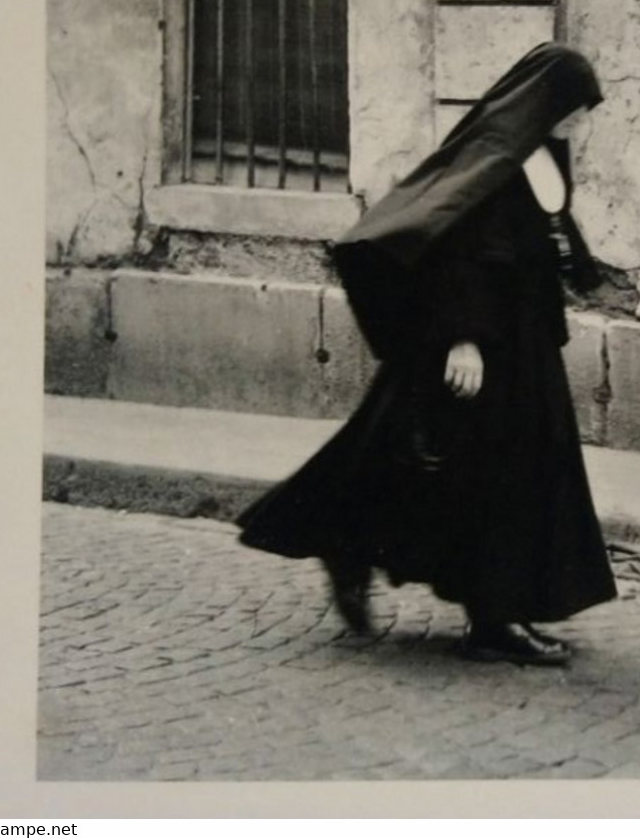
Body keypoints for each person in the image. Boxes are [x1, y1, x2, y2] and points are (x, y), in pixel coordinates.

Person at [237, 43, 617, 667]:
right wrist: (462, 338)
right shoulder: (492, 155)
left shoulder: (546, 155)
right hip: (482, 343)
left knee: (434, 468)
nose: (581, 121)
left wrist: (575, 264)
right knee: (486, 474)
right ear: (545, 101)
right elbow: (455, 248)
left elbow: (539, 232)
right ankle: (492, 622)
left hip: (525, 340)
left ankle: (358, 547)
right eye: (576, 107)